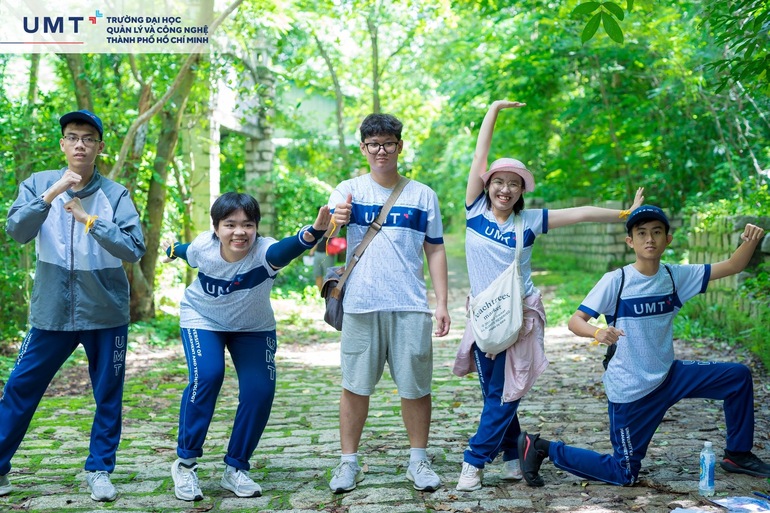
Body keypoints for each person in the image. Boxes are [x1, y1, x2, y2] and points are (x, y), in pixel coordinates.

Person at [452, 100, 644, 492]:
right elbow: (479, 155)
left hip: (519, 319)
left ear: (522, 190)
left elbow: (581, 212)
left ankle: (474, 460)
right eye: (499, 182)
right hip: (484, 318)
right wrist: (493, 110)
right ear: (487, 185)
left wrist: (623, 214)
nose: (505, 189)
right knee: (495, 392)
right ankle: (513, 456)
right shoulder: (474, 212)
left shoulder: (529, 221)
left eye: (514, 183)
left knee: (505, 392)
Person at [517, 205, 770, 487]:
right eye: (641, 233)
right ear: (630, 241)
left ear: (667, 240)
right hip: (632, 389)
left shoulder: (675, 277)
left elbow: (733, 265)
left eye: (657, 232)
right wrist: (598, 332)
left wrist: (750, 241)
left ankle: (737, 454)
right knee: (623, 473)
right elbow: (575, 321)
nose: (649, 239)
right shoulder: (617, 280)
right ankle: (542, 448)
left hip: (670, 376)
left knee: (737, 377)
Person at [2, 109, 146, 501]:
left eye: (88, 138)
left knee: (108, 395)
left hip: (105, 312)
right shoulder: (38, 184)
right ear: (63, 144)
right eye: (72, 137)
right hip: (51, 311)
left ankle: (99, 470)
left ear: (99, 147)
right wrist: (52, 194)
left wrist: (90, 220)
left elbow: (134, 248)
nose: (80, 144)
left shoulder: (115, 194)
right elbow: (16, 230)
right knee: (20, 387)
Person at [163, 192, 331, 501]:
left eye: (248, 225)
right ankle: (185, 464)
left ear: (256, 228)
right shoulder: (204, 248)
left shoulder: (265, 253)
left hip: (253, 328)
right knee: (208, 376)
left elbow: (287, 248)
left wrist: (314, 232)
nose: (239, 232)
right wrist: (171, 249)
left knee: (259, 391)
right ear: (216, 228)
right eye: (230, 225)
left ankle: (236, 467)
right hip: (202, 318)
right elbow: (185, 251)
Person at [326, 113, 451, 494]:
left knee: (416, 387)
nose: (381, 151)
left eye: (388, 144)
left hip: (410, 304)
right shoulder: (347, 190)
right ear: (363, 148)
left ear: (400, 146)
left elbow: (435, 249)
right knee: (355, 386)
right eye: (374, 144)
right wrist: (336, 221)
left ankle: (418, 461)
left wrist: (442, 303)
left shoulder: (422, 195)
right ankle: (348, 463)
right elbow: (327, 238)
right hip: (361, 304)